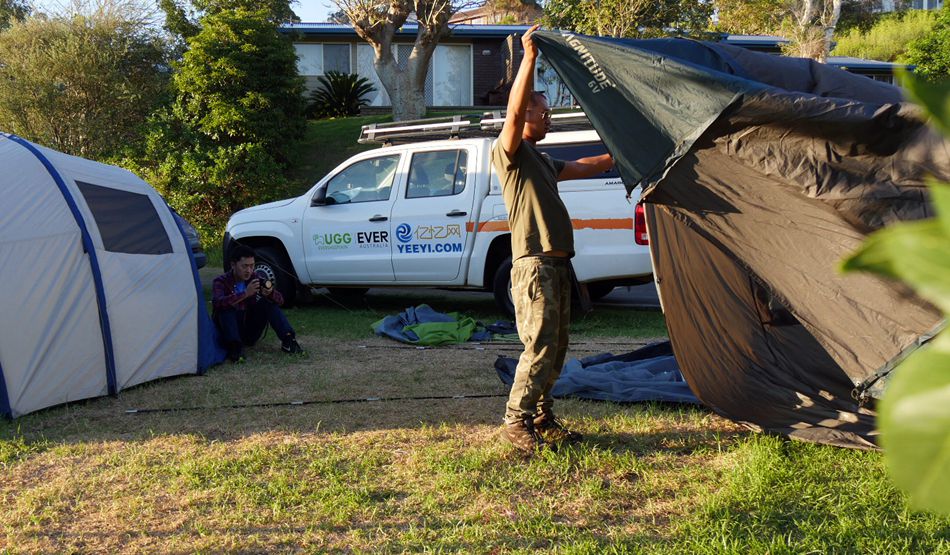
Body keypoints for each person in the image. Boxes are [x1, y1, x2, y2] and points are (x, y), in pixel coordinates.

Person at [491, 23, 615, 454]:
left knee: (557, 347)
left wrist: (620, 151)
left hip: (558, 265)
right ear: (525, 112)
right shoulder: (510, 153)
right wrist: (530, 59)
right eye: (542, 111)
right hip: (534, 264)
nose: (548, 117)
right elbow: (512, 113)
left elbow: (585, 165)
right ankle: (515, 421)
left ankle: (542, 416)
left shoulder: (542, 161)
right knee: (540, 346)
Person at [212, 244, 303, 361]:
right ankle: (234, 348)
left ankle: (288, 340)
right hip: (228, 331)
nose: (249, 270)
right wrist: (245, 293)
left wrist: (269, 293)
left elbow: (280, 301)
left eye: (252, 266)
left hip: (249, 330)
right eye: (244, 266)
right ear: (233, 265)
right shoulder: (221, 281)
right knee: (226, 307)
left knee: (267, 302)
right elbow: (217, 303)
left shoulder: (255, 278)